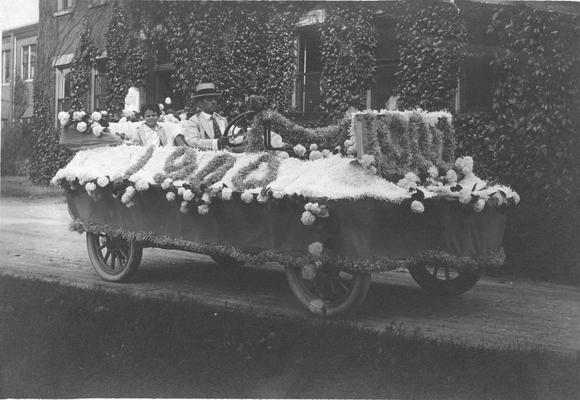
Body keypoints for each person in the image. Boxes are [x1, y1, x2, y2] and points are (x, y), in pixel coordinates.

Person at [176, 79, 243, 150]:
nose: (214, 102)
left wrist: (239, 137)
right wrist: (215, 143)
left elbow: (230, 138)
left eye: (215, 99)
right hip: (206, 157)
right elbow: (193, 142)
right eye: (209, 99)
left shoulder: (222, 120)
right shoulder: (193, 122)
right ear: (200, 104)